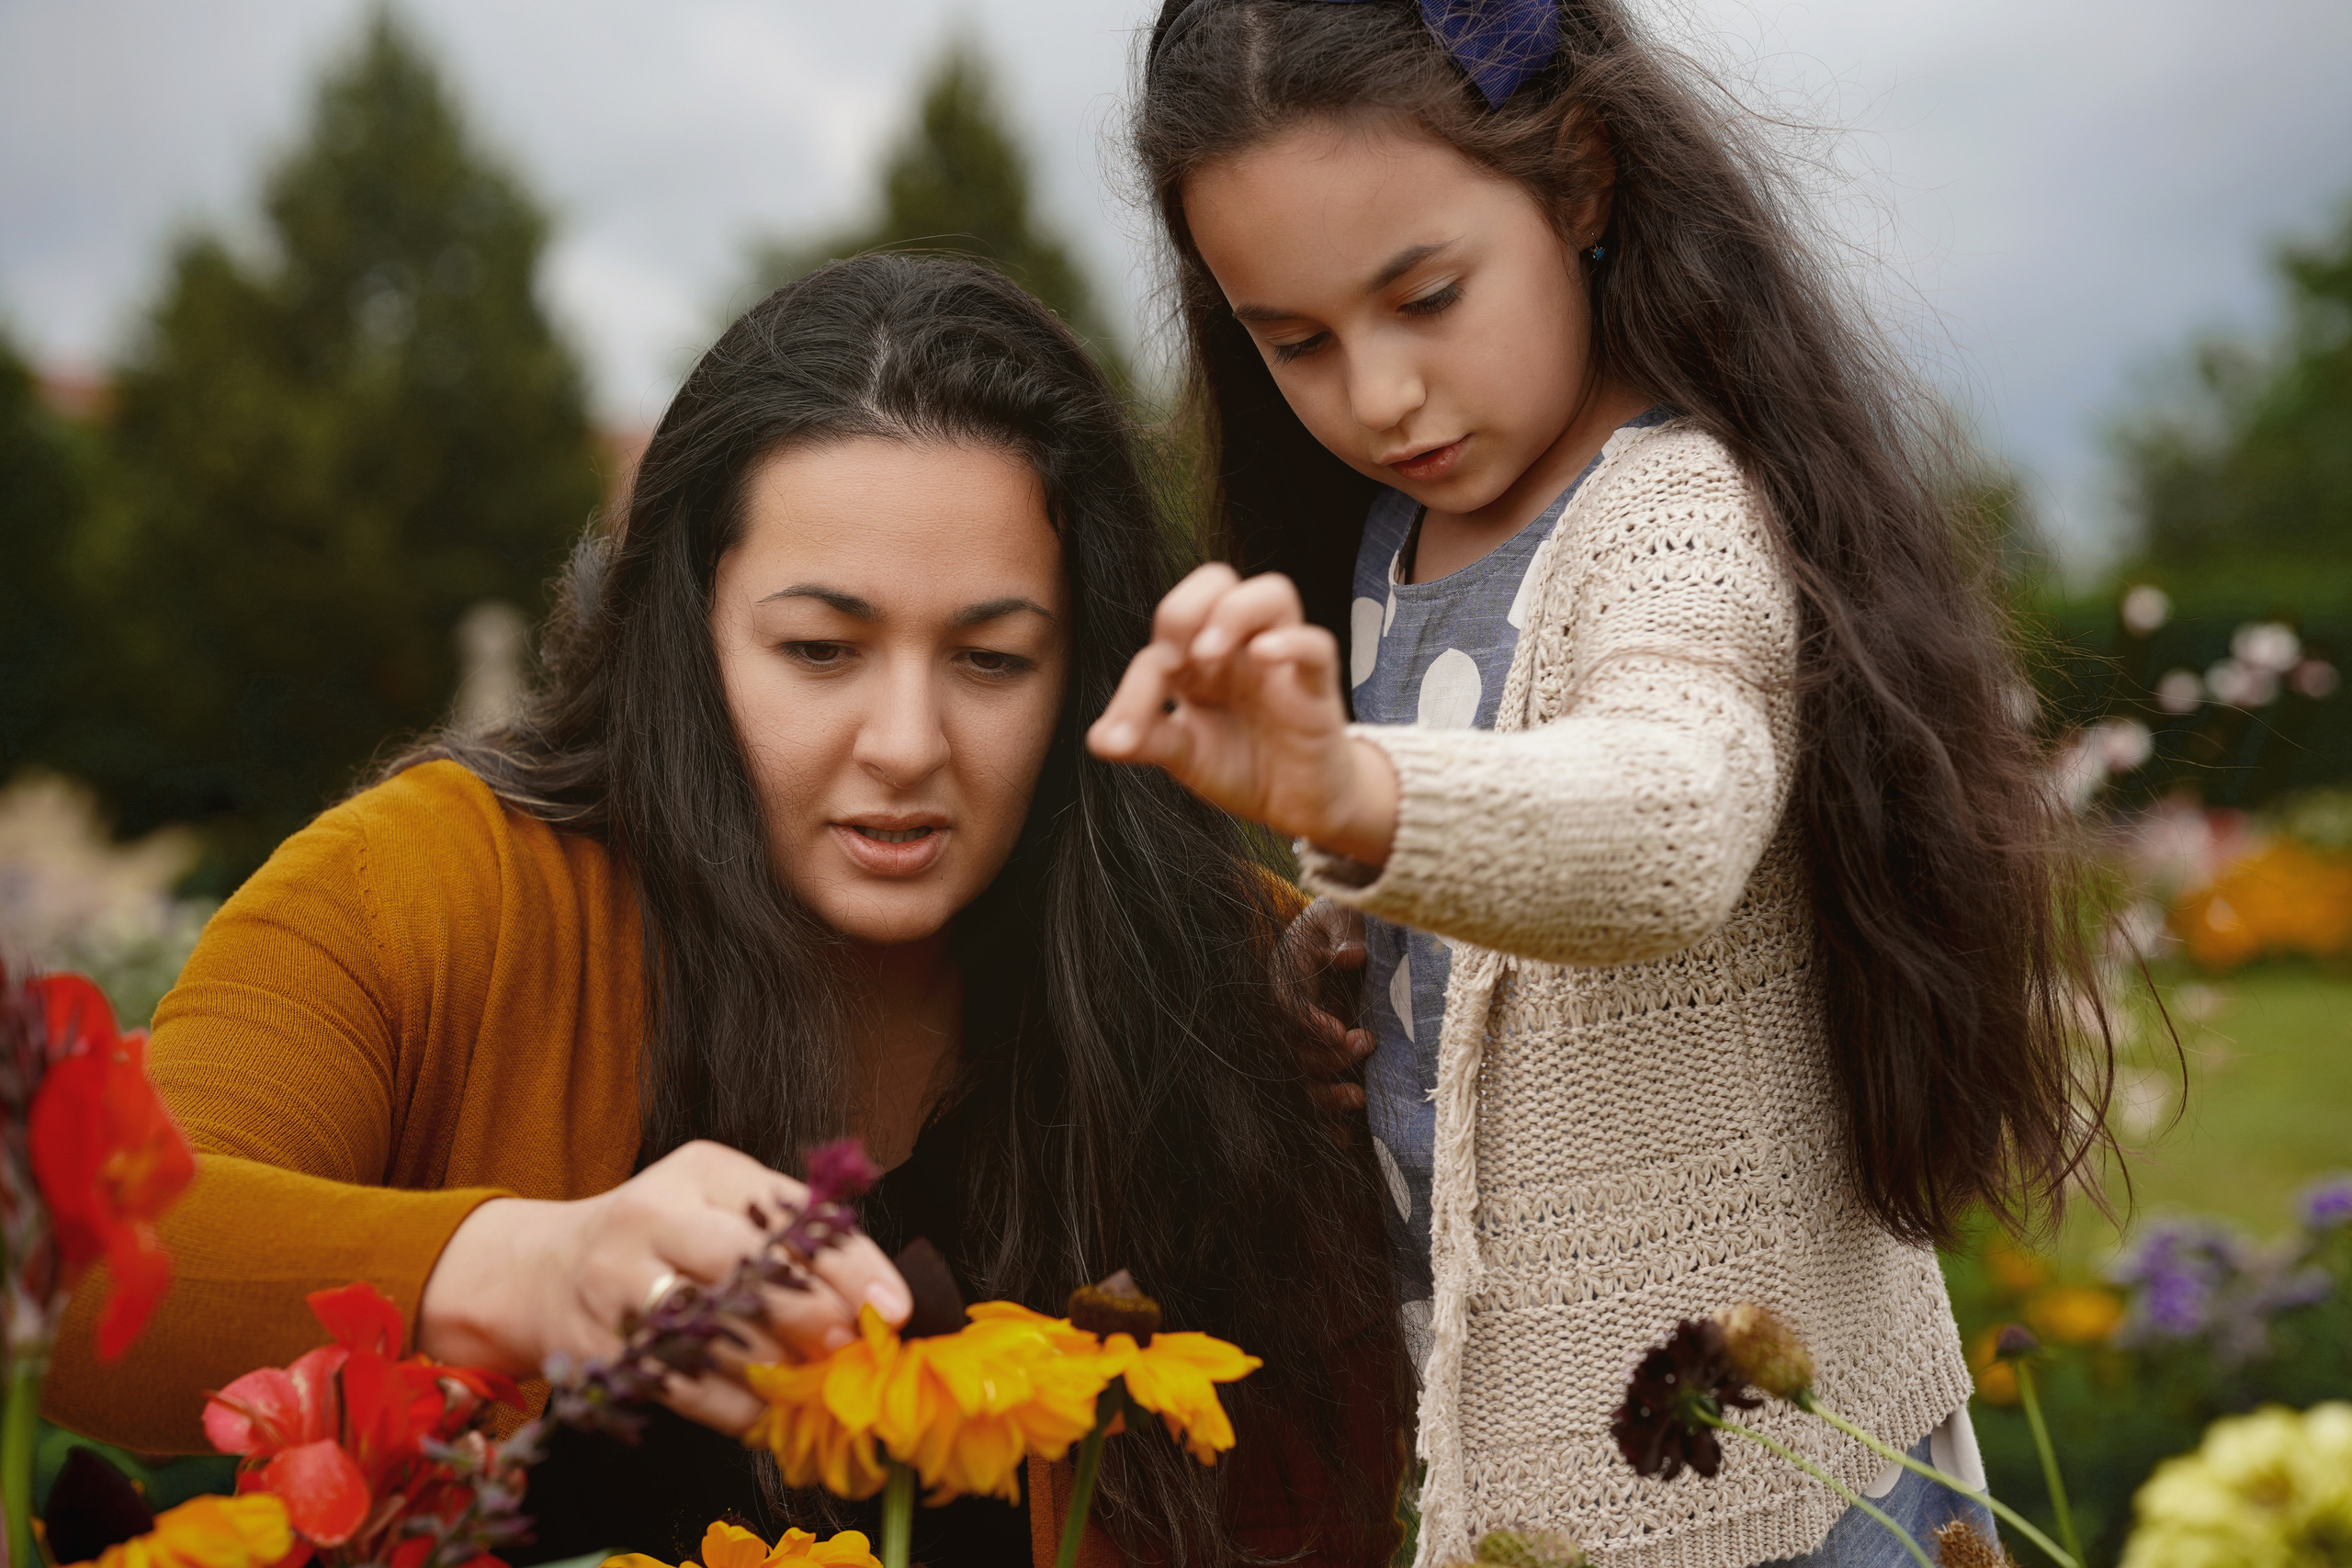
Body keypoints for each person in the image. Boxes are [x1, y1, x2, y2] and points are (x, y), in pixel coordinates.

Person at [45, 255, 1405, 1568]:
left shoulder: (1223, 972)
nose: (906, 742)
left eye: (993, 660)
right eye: (820, 650)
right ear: (683, 634)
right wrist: (525, 1268)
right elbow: (80, 1280)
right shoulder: (433, 889)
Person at [1091, 3, 2119, 1564]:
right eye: (1292, 340)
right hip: (1540, 1466)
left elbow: (1665, 829)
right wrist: (1348, 963)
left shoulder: (1668, 517)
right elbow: (1474, 939)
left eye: (1424, 297)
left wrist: (1357, 795)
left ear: (1579, 180)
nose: (1378, 396)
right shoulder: (1392, 546)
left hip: (1760, 1487)